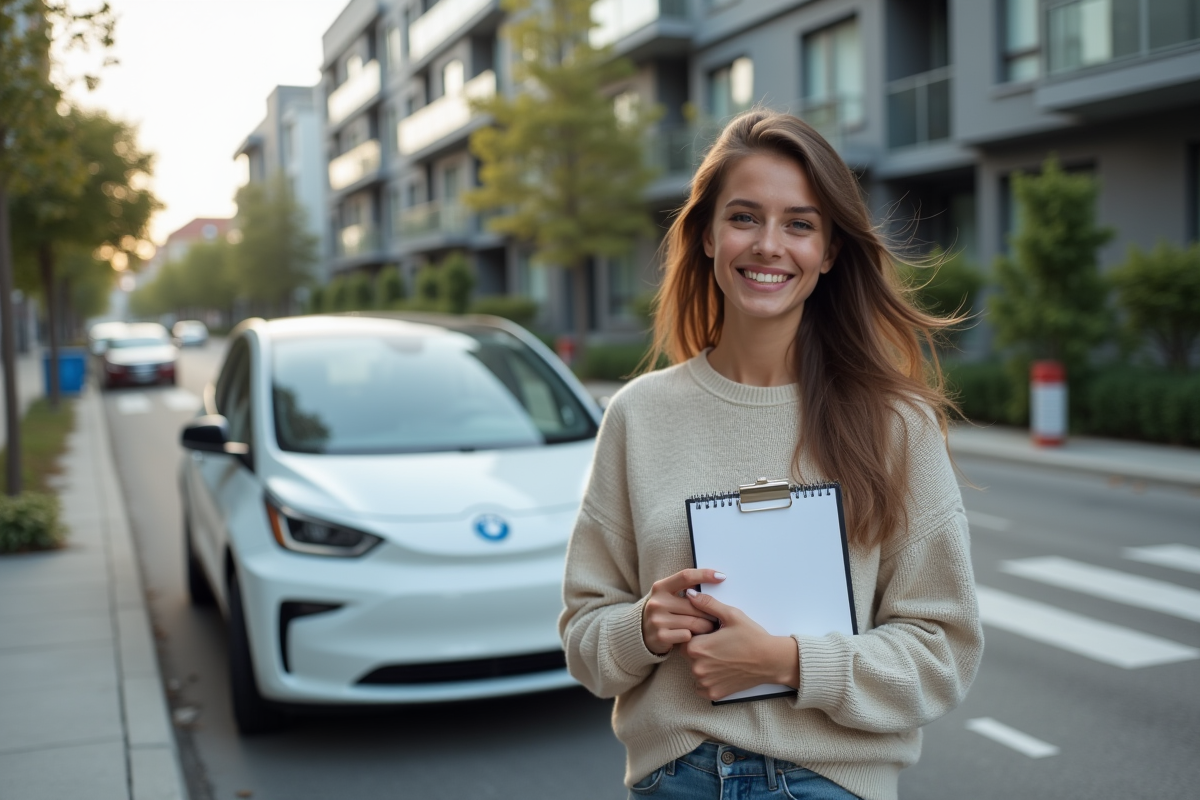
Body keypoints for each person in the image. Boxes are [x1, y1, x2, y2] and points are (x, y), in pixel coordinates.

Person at [559, 110, 983, 800]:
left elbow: (943, 654)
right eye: (744, 217)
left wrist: (788, 662)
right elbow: (585, 641)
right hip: (677, 780)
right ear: (705, 236)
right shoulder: (639, 415)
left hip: (831, 782)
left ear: (831, 249)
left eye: (799, 224)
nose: (768, 246)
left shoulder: (896, 422)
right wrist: (641, 626)